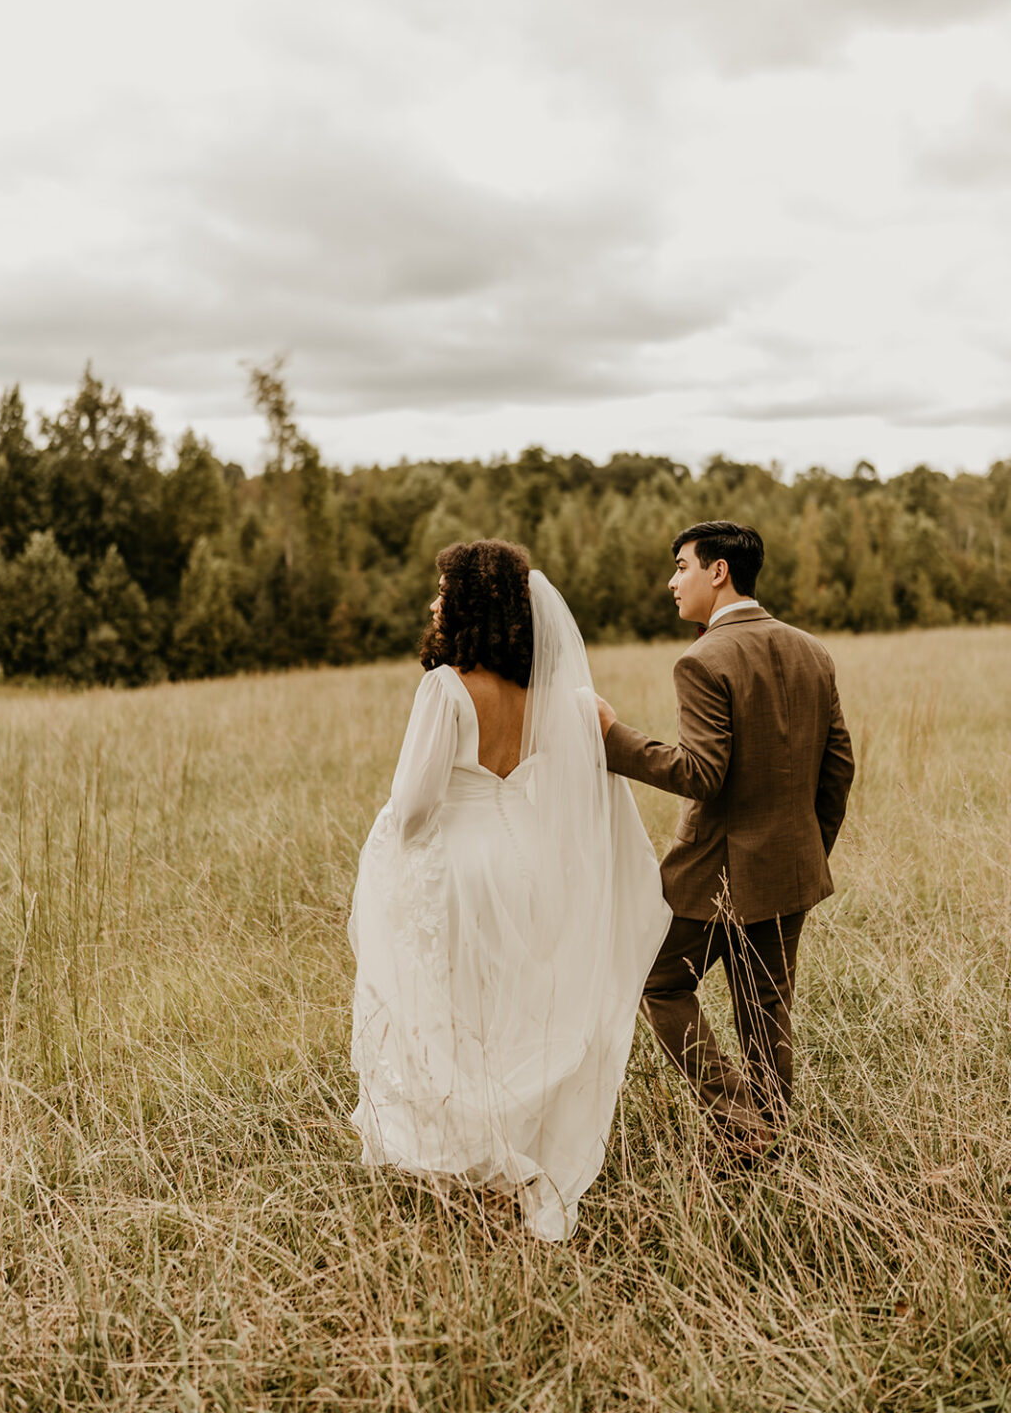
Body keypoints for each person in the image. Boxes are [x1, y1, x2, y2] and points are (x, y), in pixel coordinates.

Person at [349, 539, 669, 1240]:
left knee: (450, 1015)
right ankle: (514, 1159)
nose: (434, 602)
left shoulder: (446, 688)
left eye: (442, 590)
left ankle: (475, 1164)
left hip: (461, 866)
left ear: (467, 603)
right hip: (523, 862)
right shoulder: (550, 695)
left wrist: (390, 852)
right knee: (514, 1014)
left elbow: (411, 804)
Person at [597, 520, 855, 1161]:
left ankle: (741, 1122)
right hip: (792, 869)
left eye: (681, 565)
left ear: (719, 571)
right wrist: (807, 849)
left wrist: (611, 737)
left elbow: (701, 774)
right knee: (766, 1010)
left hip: (714, 875)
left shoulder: (702, 659)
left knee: (657, 980)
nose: (671, 580)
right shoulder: (811, 650)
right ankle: (766, 1144)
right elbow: (839, 766)